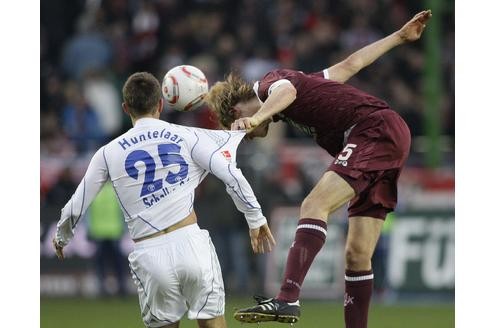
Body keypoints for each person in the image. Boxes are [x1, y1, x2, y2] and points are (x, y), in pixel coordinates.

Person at [205, 10, 432, 328]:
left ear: (235, 111)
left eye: (237, 126)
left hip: (373, 130)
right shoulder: (304, 84)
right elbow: (350, 65)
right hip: (384, 139)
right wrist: (398, 37)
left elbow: (286, 93)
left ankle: (287, 299)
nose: (244, 133)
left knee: (314, 204)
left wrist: (255, 119)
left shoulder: (273, 84)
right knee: (356, 254)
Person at [52, 72, 276, 328]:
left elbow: (77, 204)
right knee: (214, 325)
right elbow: (231, 174)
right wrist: (255, 217)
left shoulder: (107, 153)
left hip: (150, 252)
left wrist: (62, 236)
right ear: (160, 104)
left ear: (125, 108)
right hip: (191, 243)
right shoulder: (188, 135)